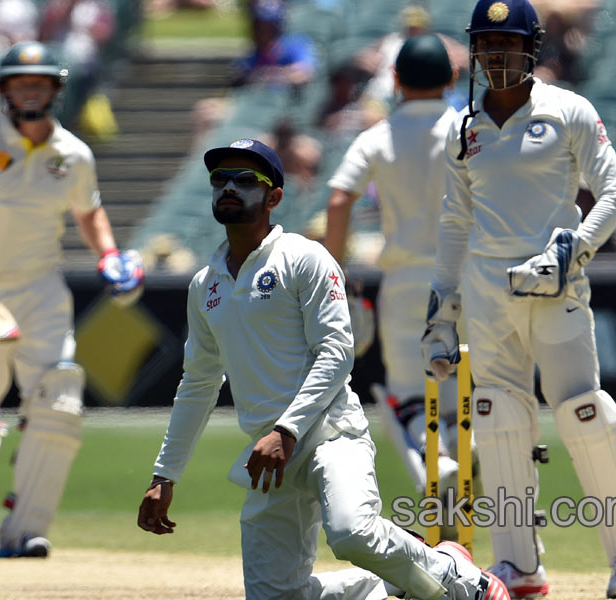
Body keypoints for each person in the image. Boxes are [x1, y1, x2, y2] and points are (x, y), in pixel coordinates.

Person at [137, 138, 509, 600]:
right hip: (269, 458)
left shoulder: (303, 257)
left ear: (274, 197)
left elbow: (337, 350)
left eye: (245, 180)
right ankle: (392, 581)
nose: (229, 187)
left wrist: (287, 429)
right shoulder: (205, 284)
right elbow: (198, 383)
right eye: (220, 179)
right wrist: (163, 477)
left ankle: (462, 580)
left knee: (352, 533)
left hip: (330, 434)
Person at [420, 1, 616, 597]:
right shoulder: (463, 127)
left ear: (532, 48)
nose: (496, 56)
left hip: (556, 289)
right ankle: (519, 566)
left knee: (584, 414)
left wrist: (570, 251)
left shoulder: (568, 110)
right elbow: (454, 221)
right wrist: (442, 309)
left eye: (507, 43)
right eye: (486, 44)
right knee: (498, 418)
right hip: (486, 293)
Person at [0, 41, 143, 559]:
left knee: (61, 397)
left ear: (56, 90)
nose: (31, 90)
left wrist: (109, 255)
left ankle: (24, 532)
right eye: (21, 83)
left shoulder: (74, 155)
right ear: (4, 90)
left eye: (40, 82)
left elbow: (89, 213)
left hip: (41, 289)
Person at [324, 34, 465, 512]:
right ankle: (464, 458)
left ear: (397, 80)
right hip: (465, 278)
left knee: (404, 396)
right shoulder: (468, 130)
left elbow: (340, 197)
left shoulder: (377, 136)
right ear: (451, 78)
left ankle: (436, 463)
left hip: (405, 282)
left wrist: (334, 273)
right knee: (463, 395)